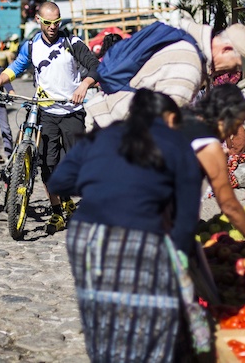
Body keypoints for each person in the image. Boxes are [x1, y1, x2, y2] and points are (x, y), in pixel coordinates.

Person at [47, 90, 203, 363]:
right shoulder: (176, 143)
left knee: (101, 315)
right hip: (141, 237)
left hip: (88, 237)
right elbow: (187, 219)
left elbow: (59, 183)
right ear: (169, 118)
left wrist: (101, 182)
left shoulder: (102, 135)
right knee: (151, 322)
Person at [0, 1, 100, 234]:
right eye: (48, 22)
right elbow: (16, 67)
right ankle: (57, 213)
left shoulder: (72, 42)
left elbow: (95, 66)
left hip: (71, 111)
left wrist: (85, 84)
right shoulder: (31, 45)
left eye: (57, 22)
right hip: (45, 112)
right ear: (39, 20)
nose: (53, 26)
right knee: (48, 165)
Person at [85, 16, 245, 129]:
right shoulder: (189, 67)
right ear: (226, 50)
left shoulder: (184, 38)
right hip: (114, 129)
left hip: (106, 118)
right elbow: (163, 127)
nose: (234, 72)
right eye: (237, 66)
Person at [182, 84, 245, 266]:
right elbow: (229, 205)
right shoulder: (207, 143)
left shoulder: (183, 119)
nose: (233, 132)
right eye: (235, 125)